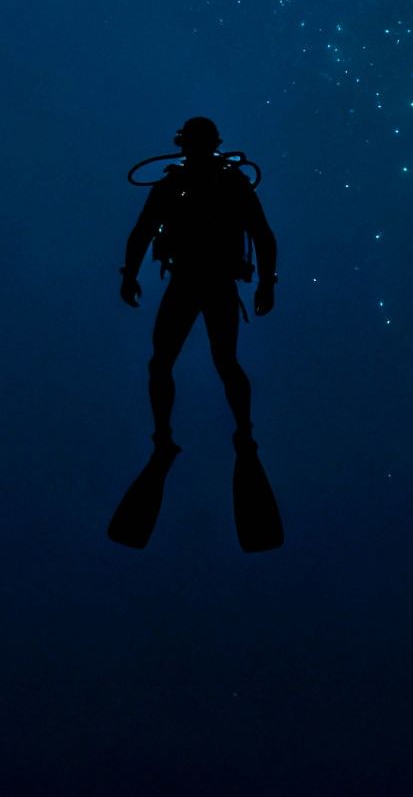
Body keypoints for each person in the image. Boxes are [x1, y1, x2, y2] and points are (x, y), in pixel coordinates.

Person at [110, 116, 283, 551]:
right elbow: (142, 232)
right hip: (193, 283)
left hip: (206, 283)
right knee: (177, 362)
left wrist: (266, 282)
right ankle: (186, 437)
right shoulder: (183, 185)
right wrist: (129, 274)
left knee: (210, 362)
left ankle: (221, 435)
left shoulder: (220, 184)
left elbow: (263, 235)